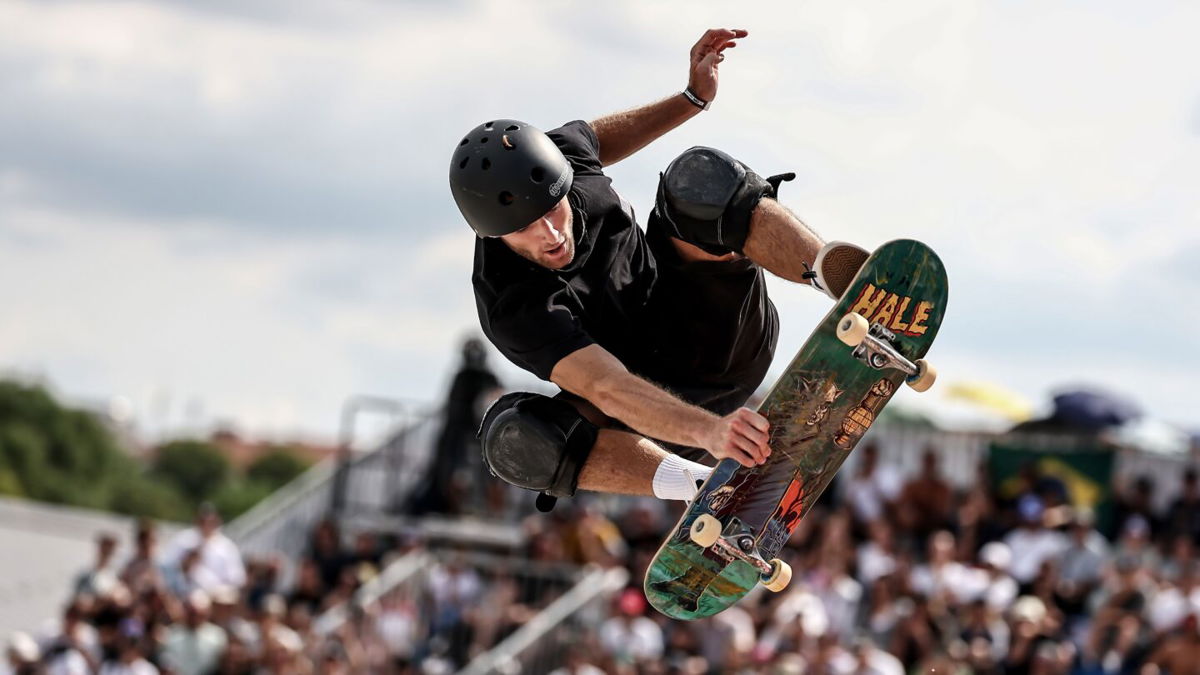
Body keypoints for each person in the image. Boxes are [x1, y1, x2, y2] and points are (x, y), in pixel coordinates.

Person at [449, 29, 870, 511]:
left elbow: (603, 136)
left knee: (698, 179)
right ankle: (707, 489)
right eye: (527, 229)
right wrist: (711, 432)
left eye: (555, 207)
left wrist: (692, 98)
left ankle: (843, 280)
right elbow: (608, 387)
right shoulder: (513, 305)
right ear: (492, 235)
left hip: (718, 329)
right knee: (518, 436)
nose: (551, 232)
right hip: (653, 410)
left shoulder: (565, 154)